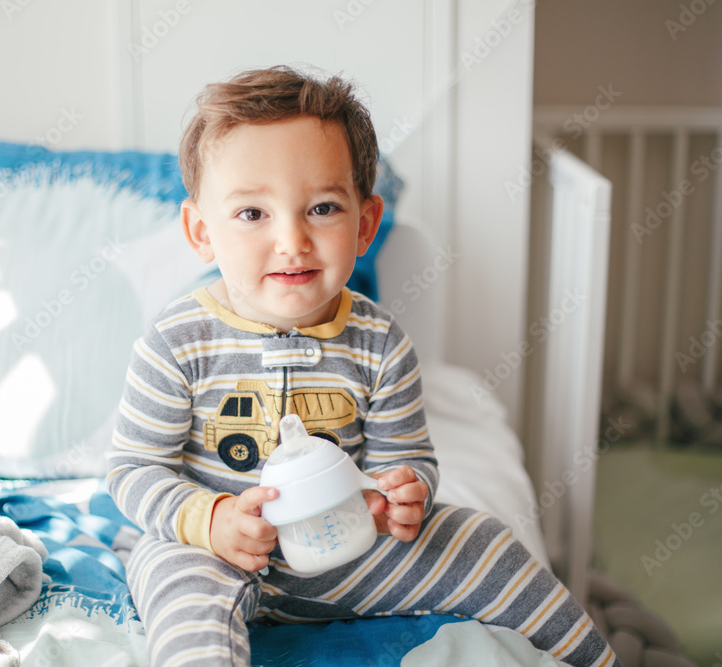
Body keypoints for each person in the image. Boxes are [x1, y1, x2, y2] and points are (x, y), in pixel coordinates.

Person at [106, 64, 618, 667]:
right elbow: (133, 469)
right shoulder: (178, 340)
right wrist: (208, 518)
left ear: (366, 224)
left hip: (343, 547)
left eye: (322, 208)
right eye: (252, 214)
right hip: (214, 552)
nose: (292, 239)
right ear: (201, 232)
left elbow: (405, 458)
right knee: (175, 584)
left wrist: (405, 494)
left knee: (483, 538)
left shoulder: (379, 342)